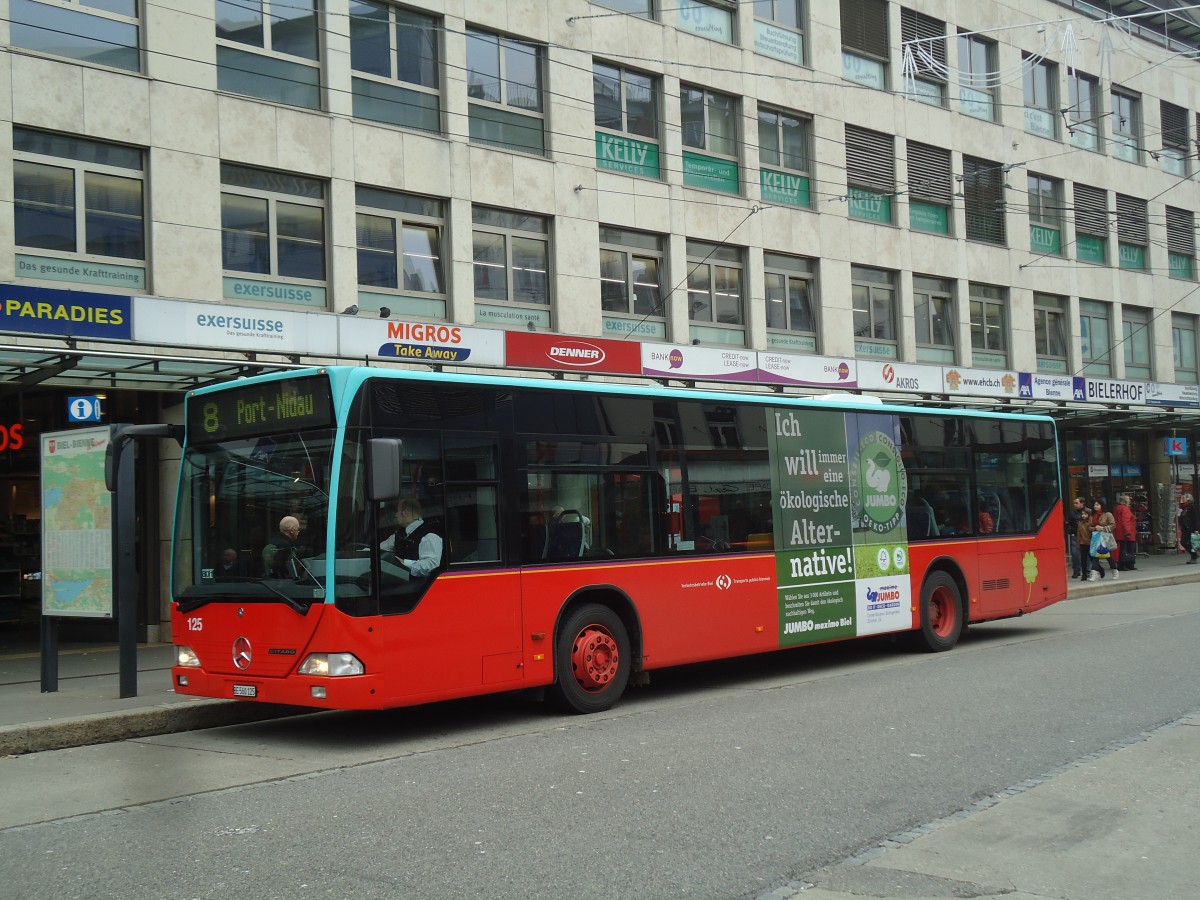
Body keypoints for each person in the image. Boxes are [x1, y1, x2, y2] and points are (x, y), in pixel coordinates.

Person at [380, 497, 445, 577]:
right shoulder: (399, 534)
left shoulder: (429, 536)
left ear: (405, 513)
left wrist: (404, 563)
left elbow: (431, 566)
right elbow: (379, 549)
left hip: (421, 586)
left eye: (398, 511)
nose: (396, 515)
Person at [1091, 499, 1118, 581]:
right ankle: (1094, 574)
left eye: (1098, 505)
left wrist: (1103, 528)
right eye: (1095, 505)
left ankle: (1114, 570)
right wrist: (1094, 528)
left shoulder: (1107, 514)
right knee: (1095, 556)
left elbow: (1113, 525)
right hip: (1095, 537)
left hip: (1105, 537)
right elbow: (1089, 526)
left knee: (1108, 555)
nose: (1095, 506)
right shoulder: (1092, 515)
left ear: (1102, 506)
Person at [1113, 494, 1138, 572]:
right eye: (1128, 500)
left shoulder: (1117, 508)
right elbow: (1125, 521)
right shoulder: (1125, 509)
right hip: (1126, 532)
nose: (1130, 502)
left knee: (1121, 549)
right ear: (1125, 501)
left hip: (1118, 532)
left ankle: (1121, 564)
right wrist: (1128, 532)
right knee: (1129, 549)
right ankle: (1128, 564)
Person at [1077, 507, 1102, 582]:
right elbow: (1078, 533)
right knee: (1083, 559)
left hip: (1091, 543)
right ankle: (1084, 574)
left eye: (1085, 514)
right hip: (1082, 543)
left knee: (1092, 558)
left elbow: (1094, 531)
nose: (1083, 516)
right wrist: (1078, 543)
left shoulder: (1091, 522)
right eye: (1082, 514)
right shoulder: (1080, 523)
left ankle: (1099, 570)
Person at [1066, 497, 1086, 578]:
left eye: (1076, 503)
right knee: (1075, 554)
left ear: (1082, 503)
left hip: (1085, 535)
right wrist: (1070, 531)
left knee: (1085, 554)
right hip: (1075, 534)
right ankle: (1076, 570)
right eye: (1074, 503)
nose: (1075, 505)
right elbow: (1068, 523)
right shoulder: (1072, 513)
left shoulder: (1087, 512)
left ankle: (1086, 570)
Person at [1180, 493, 1199, 565]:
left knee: (1188, 542)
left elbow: (1195, 519)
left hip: (1190, 528)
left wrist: (1196, 529)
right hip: (1185, 528)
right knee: (1184, 542)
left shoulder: (1191, 507)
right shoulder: (1185, 508)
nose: (1183, 499)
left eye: (1184, 498)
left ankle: (1194, 555)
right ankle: (1194, 555)